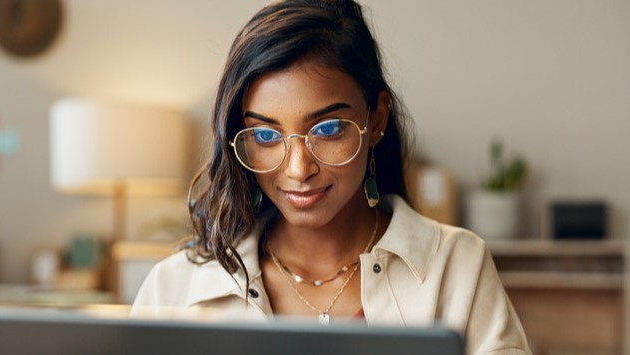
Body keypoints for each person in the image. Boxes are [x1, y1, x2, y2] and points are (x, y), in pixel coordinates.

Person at [131, 0, 530, 353]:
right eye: (267, 135)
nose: (298, 169)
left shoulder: (455, 266)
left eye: (327, 129)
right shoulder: (175, 286)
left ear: (376, 119)